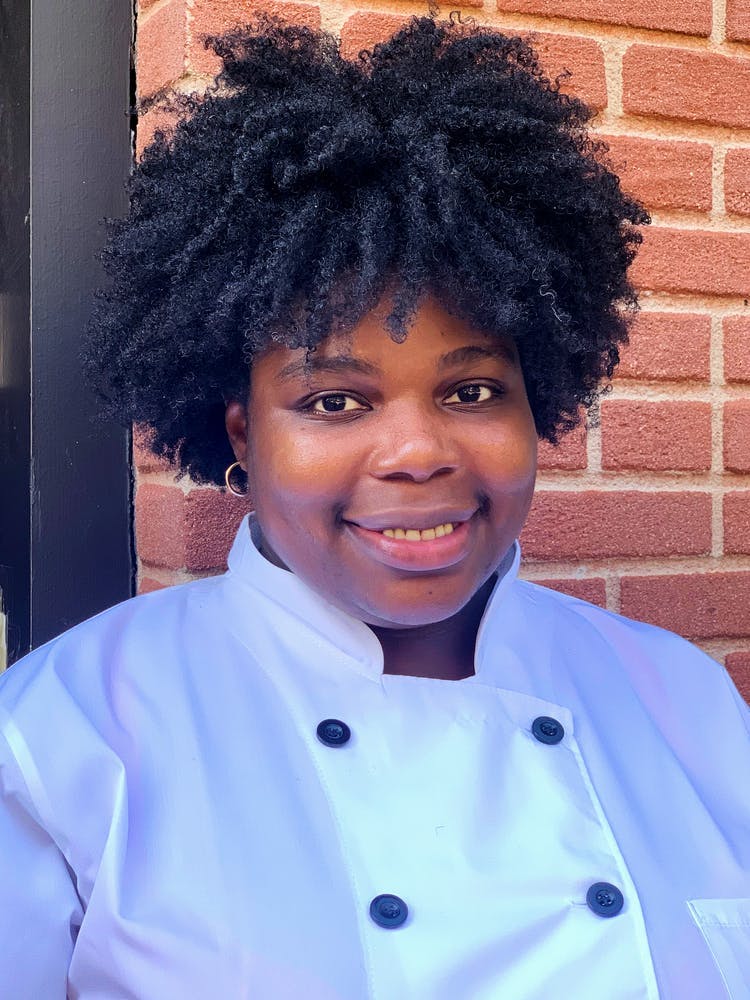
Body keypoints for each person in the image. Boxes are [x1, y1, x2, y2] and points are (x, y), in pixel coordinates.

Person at [1, 15, 748, 999]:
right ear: (240, 434)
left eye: (472, 390)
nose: (416, 453)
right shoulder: (61, 737)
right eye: (334, 401)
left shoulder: (686, 702)